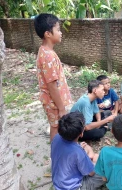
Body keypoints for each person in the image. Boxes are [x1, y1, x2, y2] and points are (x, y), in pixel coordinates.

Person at [34, 13, 72, 141]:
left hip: (53, 101)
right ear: (48, 34)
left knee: (56, 127)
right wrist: (61, 108)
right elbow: (52, 85)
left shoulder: (45, 51)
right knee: (55, 128)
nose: (61, 33)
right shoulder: (48, 56)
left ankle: (58, 152)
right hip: (53, 103)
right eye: (58, 29)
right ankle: (55, 155)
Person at [51, 112, 104, 190]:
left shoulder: (56, 137)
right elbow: (91, 173)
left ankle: (92, 158)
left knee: (93, 157)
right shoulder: (78, 151)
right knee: (105, 167)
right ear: (81, 133)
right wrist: (89, 152)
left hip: (59, 183)